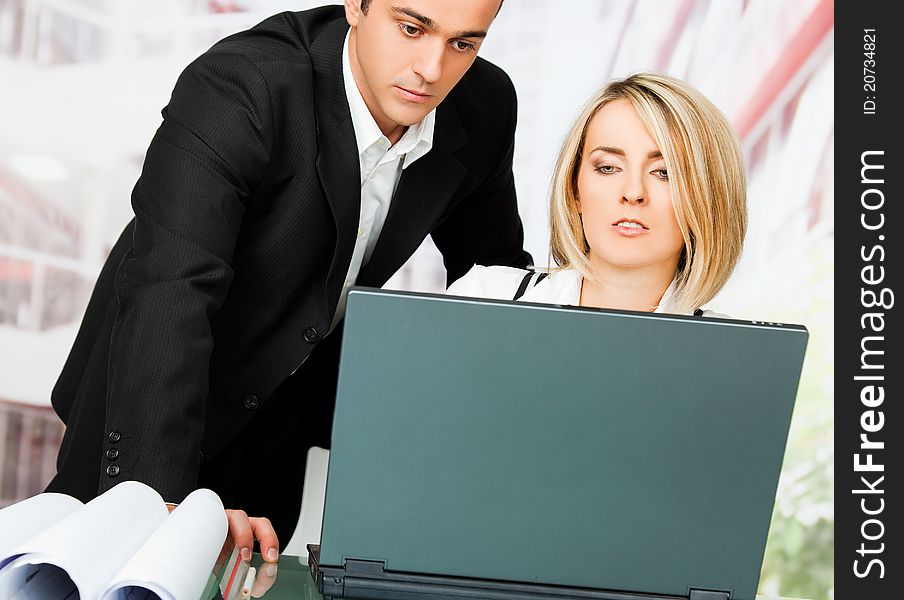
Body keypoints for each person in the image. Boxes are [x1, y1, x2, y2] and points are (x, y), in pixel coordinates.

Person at [46, 0, 531, 562]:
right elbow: (171, 287)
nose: (432, 68)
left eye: (463, 44)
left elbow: (494, 275)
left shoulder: (483, 104)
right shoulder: (241, 85)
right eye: (411, 28)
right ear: (357, 6)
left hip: (276, 413)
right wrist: (158, 499)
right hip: (147, 398)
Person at [447, 73, 747, 315]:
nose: (633, 193)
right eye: (608, 168)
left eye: (664, 173)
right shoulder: (484, 298)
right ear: (574, 190)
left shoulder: (734, 355)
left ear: (707, 199)